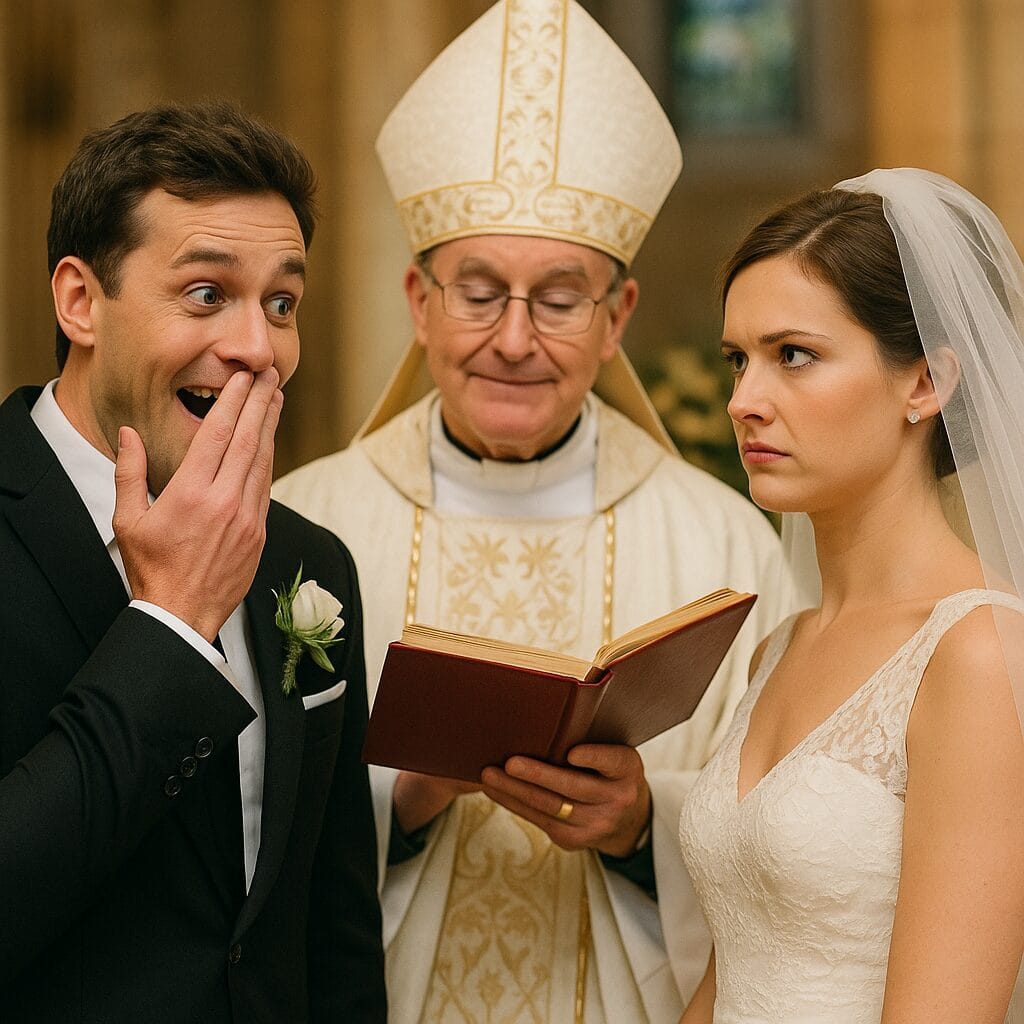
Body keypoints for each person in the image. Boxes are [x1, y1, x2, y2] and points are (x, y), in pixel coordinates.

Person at [273, 2, 789, 1020]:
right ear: (418, 303)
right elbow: (225, 829)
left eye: (557, 298)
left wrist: (644, 823)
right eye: (477, 292)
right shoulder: (303, 528)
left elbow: (782, 836)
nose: (513, 339)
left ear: (616, 319)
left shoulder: (722, 542)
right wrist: (397, 804)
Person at [0, 101, 386, 1023]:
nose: (258, 349)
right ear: (80, 301)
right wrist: (172, 625)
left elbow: (330, 925)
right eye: (207, 294)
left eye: (282, 302)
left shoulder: (306, 560)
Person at [678, 168, 1024, 1023]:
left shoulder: (979, 654)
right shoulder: (778, 648)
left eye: (794, 356)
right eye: (737, 360)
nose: (743, 401)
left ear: (926, 384)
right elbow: (734, 976)